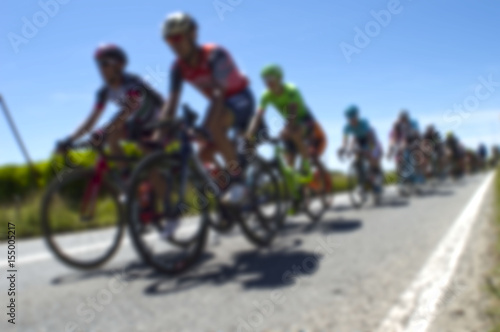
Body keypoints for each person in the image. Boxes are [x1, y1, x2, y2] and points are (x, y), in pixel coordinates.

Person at [157, 12, 254, 204]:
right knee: (203, 152)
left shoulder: (214, 54)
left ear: (192, 34)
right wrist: (159, 133)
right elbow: (172, 101)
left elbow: (219, 93)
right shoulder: (178, 67)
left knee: (213, 128)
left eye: (177, 37)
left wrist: (206, 126)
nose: (174, 44)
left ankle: (239, 182)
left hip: (239, 97)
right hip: (219, 104)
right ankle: (226, 186)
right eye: (169, 40)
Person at [58, 44, 163, 173]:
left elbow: (128, 110)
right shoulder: (104, 92)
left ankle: (158, 187)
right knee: (112, 136)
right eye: (99, 64)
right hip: (138, 125)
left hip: (157, 124)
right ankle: (127, 180)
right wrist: (69, 140)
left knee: (150, 164)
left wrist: (103, 132)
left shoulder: (132, 82)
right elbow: (90, 121)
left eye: (105, 63)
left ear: (119, 65)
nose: (101, 69)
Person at [246, 64, 327, 174]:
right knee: (289, 156)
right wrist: (249, 134)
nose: (267, 82)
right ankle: (292, 179)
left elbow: (292, 112)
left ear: (279, 78)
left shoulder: (291, 90)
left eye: (270, 78)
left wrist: (287, 129)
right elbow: (258, 116)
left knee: (294, 132)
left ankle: (306, 163)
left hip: (304, 119)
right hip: (289, 122)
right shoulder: (266, 95)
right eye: (264, 79)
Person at [338, 105, 383, 194]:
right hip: (358, 140)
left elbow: (370, 138)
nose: (352, 121)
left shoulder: (364, 122)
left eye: (353, 118)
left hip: (370, 138)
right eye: (349, 119)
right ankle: (361, 184)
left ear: (357, 116)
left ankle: (377, 179)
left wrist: (370, 150)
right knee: (357, 157)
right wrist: (343, 148)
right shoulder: (346, 127)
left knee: (372, 157)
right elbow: (345, 140)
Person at [388, 110, 424, 183]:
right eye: (401, 119)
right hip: (404, 145)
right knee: (402, 160)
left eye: (403, 119)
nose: (402, 121)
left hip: (413, 143)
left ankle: (417, 179)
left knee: (414, 159)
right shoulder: (398, 126)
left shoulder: (412, 124)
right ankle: (403, 180)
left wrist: (417, 144)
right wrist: (391, 150)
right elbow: (395, 139)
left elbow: (416, 136)